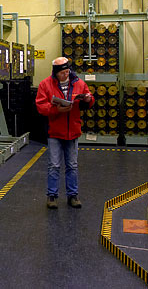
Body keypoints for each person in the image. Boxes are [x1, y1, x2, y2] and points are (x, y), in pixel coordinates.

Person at [35, 57, 93, 209]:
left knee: (72, 165)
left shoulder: (78, 83)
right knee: (54, 165)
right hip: (55, 131)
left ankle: (73, 196)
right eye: (62, 73)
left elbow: (90, 98)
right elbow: (41, 106)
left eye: (67, 72)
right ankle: (52, 196)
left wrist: (88, 99)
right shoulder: (45, 84)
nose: (65, 75)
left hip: (72, 131)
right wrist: (56, 110)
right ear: (55, 73)